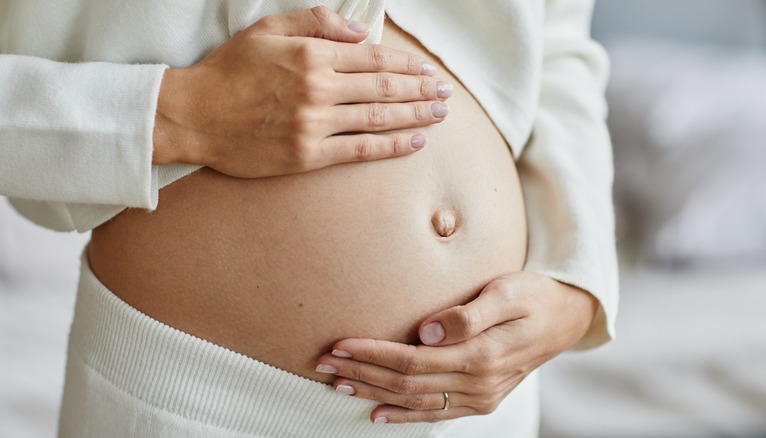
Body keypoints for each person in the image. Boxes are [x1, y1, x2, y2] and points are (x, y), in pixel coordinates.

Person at [0, 0, 618, 437]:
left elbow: (559, 51)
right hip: (198, 398)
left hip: (479, 407)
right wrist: (176, 115)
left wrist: (577, 284)